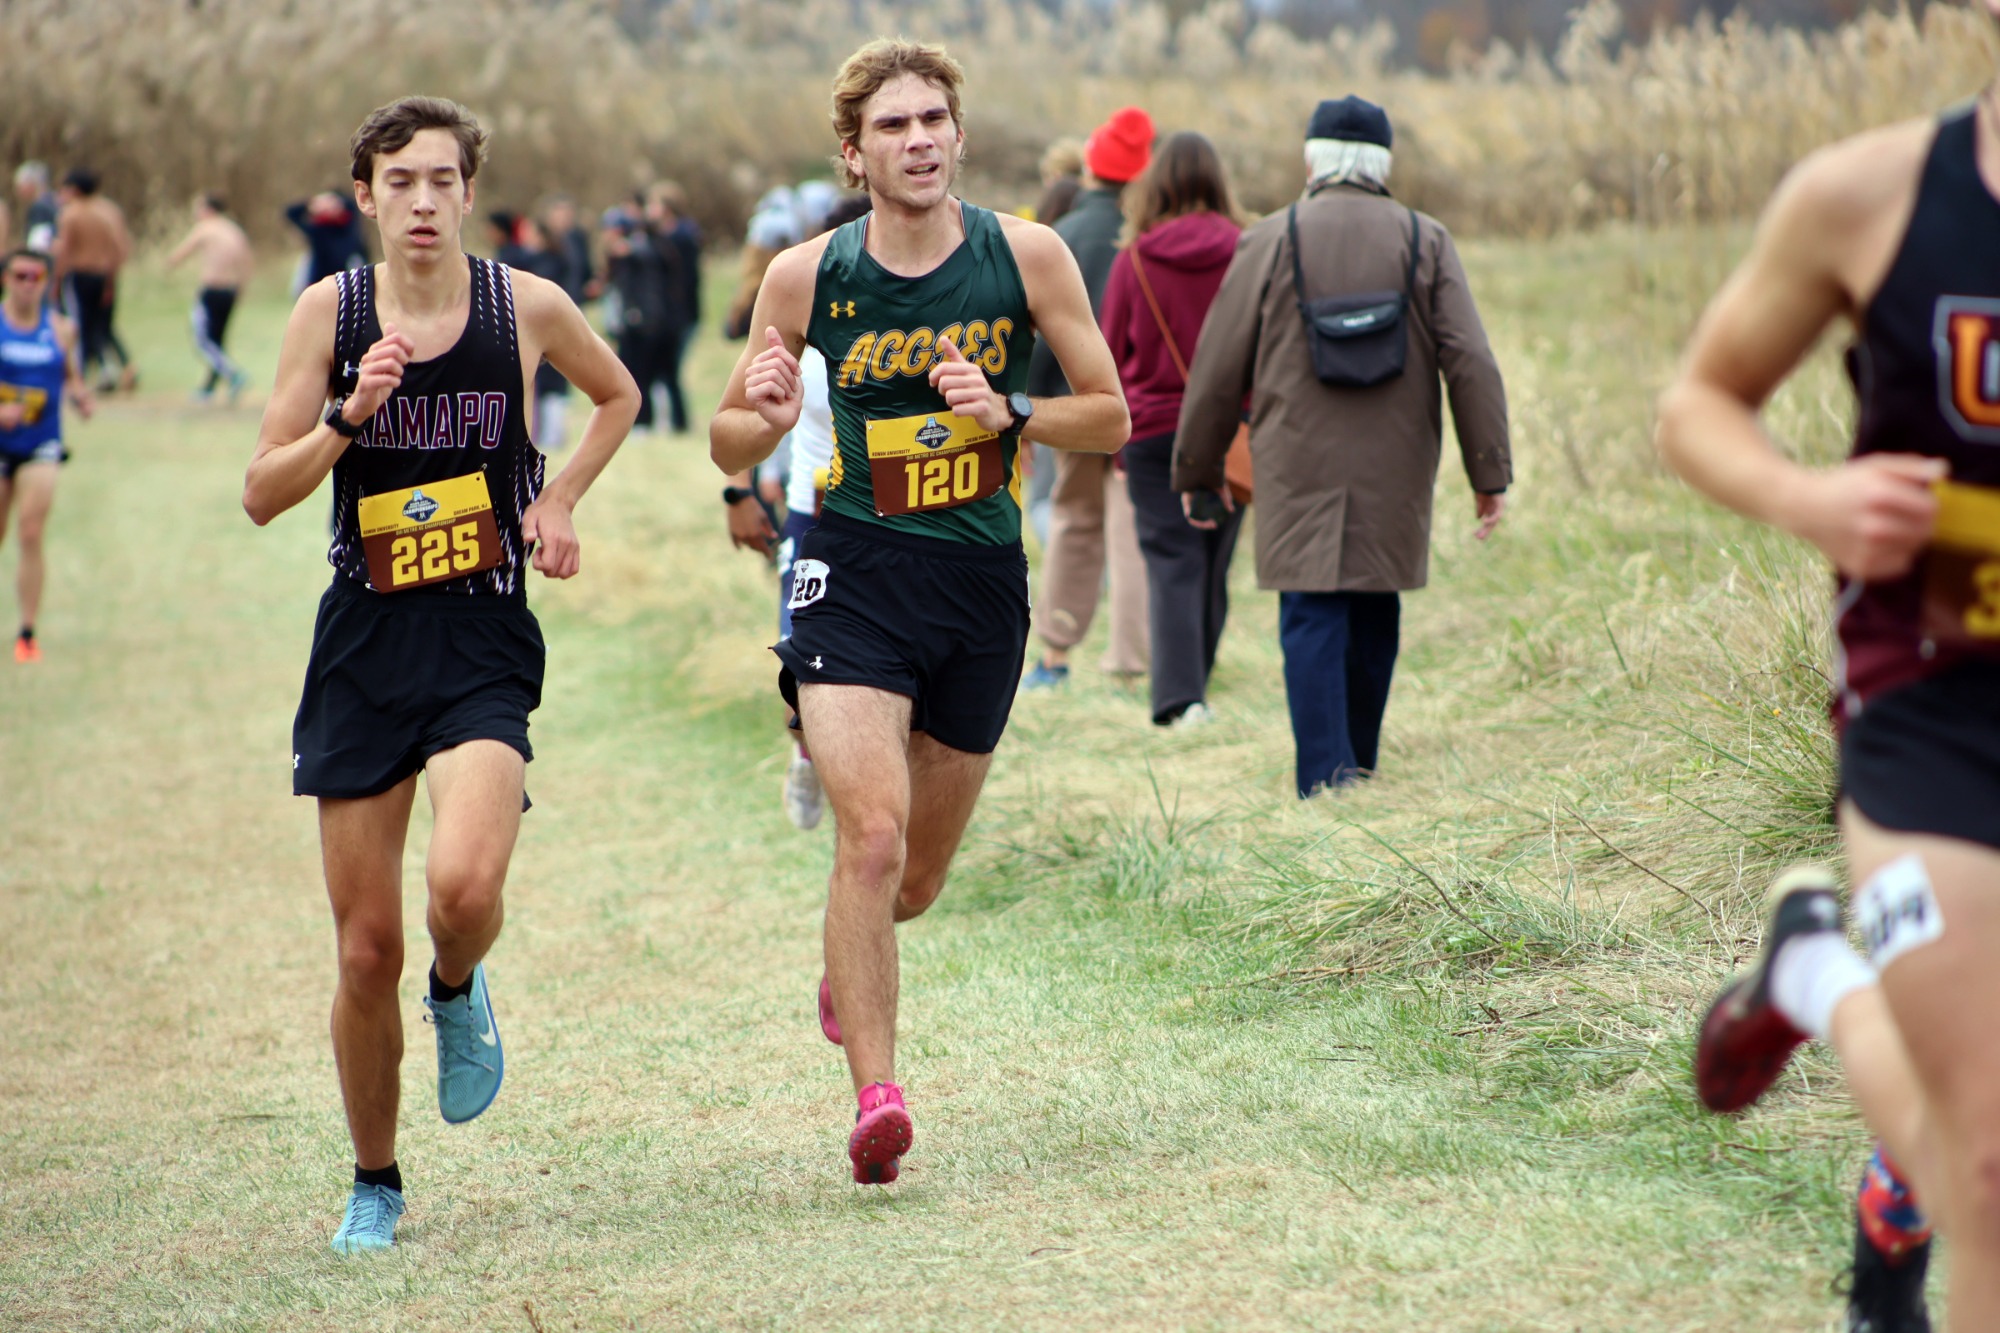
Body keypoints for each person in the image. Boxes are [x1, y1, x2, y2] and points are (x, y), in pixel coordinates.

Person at [709, 38, 1129, 1184]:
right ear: (853, 155)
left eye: (932, 119)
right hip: (852, 570)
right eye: (891, 126)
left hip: (979, 583)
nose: (918, 140)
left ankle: (848, 964)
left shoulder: (1026, 256)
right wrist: (761, 414)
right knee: (872, 836)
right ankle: (877, 1101)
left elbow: (1111, 415)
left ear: (958, 134)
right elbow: (726, 438)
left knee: (916, 882)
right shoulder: (805, 276)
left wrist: (1012, 412)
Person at [242, 96, 639, 1254]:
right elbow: (261, 491)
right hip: (364, 641)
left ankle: (458, 985)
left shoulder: (526, 306)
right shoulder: (329, 312)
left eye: (441, 180)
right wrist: (346, 416)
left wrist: (557, 499)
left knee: (460, 891)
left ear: (469, 190)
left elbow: (616, 395)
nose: (422, 201)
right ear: (364, 196)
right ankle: (375, 1180)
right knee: (365, 948)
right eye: (399, 181)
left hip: (480, 635)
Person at [1655, 72, 2000, 1333]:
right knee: (1989, 1171)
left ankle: (1814, 970)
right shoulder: (1871, 196)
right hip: (1936, 704)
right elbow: (1697, 404)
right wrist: (1811, 501)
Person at [1175, 96, 1511, 798]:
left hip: (1297, 461)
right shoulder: (1426, 238)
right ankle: (1359, 763)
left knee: (1310, 608)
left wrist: (1199, 469)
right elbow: (1471, 360)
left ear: (1311, 163)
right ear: (1384, 166)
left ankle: (1325, 780)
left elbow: (1217, 367)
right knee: (1375, 602)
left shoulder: (1269, 238)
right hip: (1397, 462)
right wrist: (1489, 472)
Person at [1098, 132, 1247, 727]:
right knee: (1213, 560)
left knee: (1171, 560)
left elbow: (1110, 353)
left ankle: (1181, 699)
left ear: (1155, 184)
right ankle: (1193, 688)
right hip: (1229, 431)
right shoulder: (1248, 250)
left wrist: (1114, 443)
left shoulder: (1134, 260)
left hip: (1153, 430)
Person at [1020, 107, 1155, 690]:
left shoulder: (1063, 235)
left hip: (1073, 408)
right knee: (1130, 531)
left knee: (1073, 522)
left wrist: (1027, 407)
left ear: (1092, 169)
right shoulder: (1145, 233)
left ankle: (1055, 654)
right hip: (1139, 409)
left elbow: (1036, 334)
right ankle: (1130, 661)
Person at [0, 248, 92, 662]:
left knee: (31, 532)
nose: (27, 285)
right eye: (19, 276)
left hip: (42, 443)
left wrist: (80, 396)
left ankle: (27, 632)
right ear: (5, 279)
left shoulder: (60, 328)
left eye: (35, 277)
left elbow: (70, 376)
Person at [601, 200, 687, 434]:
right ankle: (654, 422)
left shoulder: (640, 250)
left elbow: (644, 260)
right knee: (648, 375)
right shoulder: (642, 250)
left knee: (643, 375)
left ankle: (645, 422)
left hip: (644, 322)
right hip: (643, 321)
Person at [52, 170, 136, 394]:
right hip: (104, 274)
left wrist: (56, 280)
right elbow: (120, 248)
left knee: (79, 325)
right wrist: (111, 279)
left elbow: (65, 251)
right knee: (102, 325)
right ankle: (117, 367)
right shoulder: (108, 211)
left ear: (75, 190)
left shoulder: (71, 214)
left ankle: (80, 376)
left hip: (80, 275)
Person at [166, 194, 254, 404]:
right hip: (231, 291)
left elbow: (180, 253)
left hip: (212, 290)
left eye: (199, 208)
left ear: (208, 209)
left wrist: (169, 264)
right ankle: (208, 388)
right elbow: (246, 261)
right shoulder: (234, 230)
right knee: (218, 340)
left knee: (202, 339)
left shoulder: (206, 228)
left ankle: (234, 374)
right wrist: (241, 288)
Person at [285, 189, 371, 291]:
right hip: (318, 281)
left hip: (346, 280)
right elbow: (291, 213)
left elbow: (355, 204)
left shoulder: (348, 224)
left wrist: (336, 202)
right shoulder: (317, 229)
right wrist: (312, 204)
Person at [15, 163, 58, 252]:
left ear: (31, 184)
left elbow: (38, 244)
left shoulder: (39, 207)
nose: (18, 191)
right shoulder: (54, 199)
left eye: (20, 185)